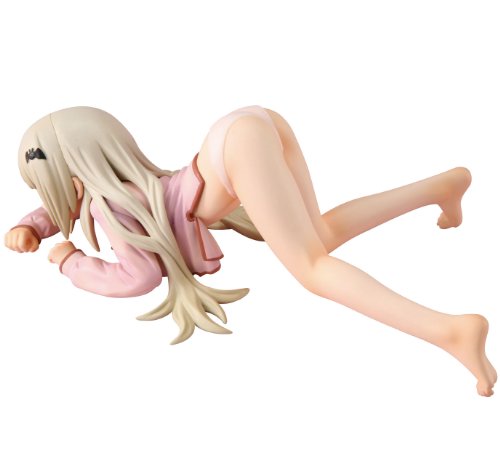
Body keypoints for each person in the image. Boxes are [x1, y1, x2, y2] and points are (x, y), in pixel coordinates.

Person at [4, 105, 496, 396]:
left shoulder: (112, 205)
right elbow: (71, 197)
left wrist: (69, 261)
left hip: (237, 151)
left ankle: (450, 331)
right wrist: (33, 224)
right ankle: (441, 188)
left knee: (313, 269)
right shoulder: (120, 190)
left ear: (73, 172)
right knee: (321, 235)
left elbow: (138, 277)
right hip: (249, 124)